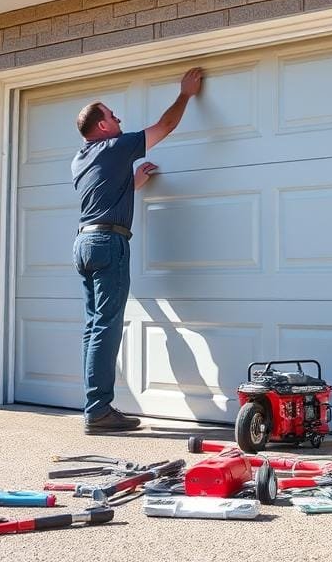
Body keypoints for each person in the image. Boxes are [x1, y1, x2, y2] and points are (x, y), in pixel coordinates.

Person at [71, 67, 204, 433]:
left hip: (84, 242)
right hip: (108, 242)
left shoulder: (81, 159)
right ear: (102, 127)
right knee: (106, 326)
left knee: (94, 326)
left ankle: (93, 404)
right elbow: (165, 126)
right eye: (113, 116)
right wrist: (185, 94)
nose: (119, 119)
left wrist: (132, 183)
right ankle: (98, 411)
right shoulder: (116, 146)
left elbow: (103, 193)